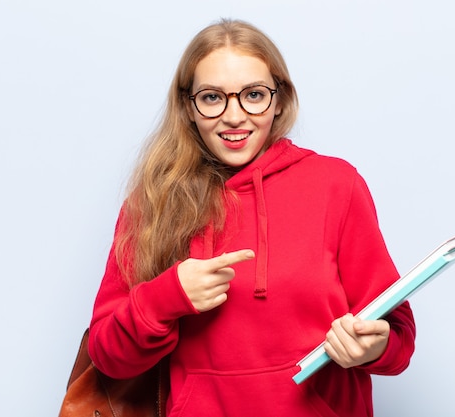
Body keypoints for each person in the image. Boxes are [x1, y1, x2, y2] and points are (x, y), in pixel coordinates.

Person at [88, 18, 416, 417]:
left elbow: (397, 333)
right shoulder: (154, 202)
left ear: (278, 100)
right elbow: (107, 356)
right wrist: (168, 296)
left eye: (254, 95)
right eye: (212, 98)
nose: (234, 116)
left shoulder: (336, 185)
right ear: (188, 107)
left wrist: (371, 347)